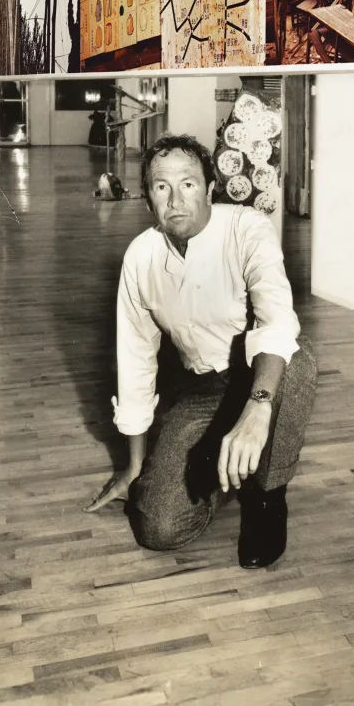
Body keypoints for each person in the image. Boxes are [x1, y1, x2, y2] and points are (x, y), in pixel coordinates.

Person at [87, 133, 317, 570]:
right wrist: (135, 467)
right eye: (161, 186)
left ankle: (266, 495)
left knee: (298, 361)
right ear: (148, 198)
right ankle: (228, 464)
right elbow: (135, 360)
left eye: (188, 184)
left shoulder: (248, 228)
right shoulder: (141, 257)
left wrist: (258, 406)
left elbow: (277, 320)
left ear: (210, 188)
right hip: (200, 391)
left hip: (259, 376)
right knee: (158, 529)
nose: (175, 199)